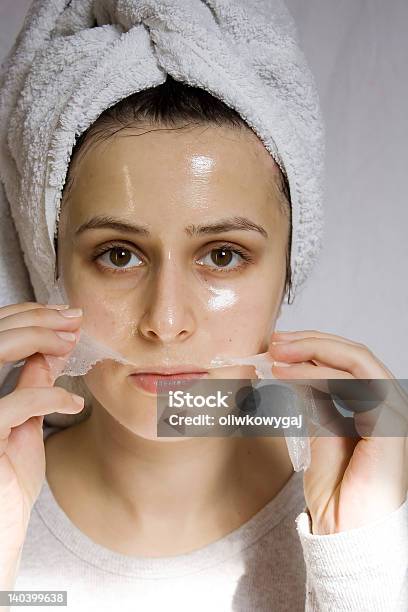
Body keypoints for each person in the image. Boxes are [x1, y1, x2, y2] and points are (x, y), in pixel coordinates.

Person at [0, 76, 407, 612]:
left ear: (289, 270)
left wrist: (360, 570)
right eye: (119, 255)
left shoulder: (375, 523)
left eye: (221, 255)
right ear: (54, 267)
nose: (166, 322)